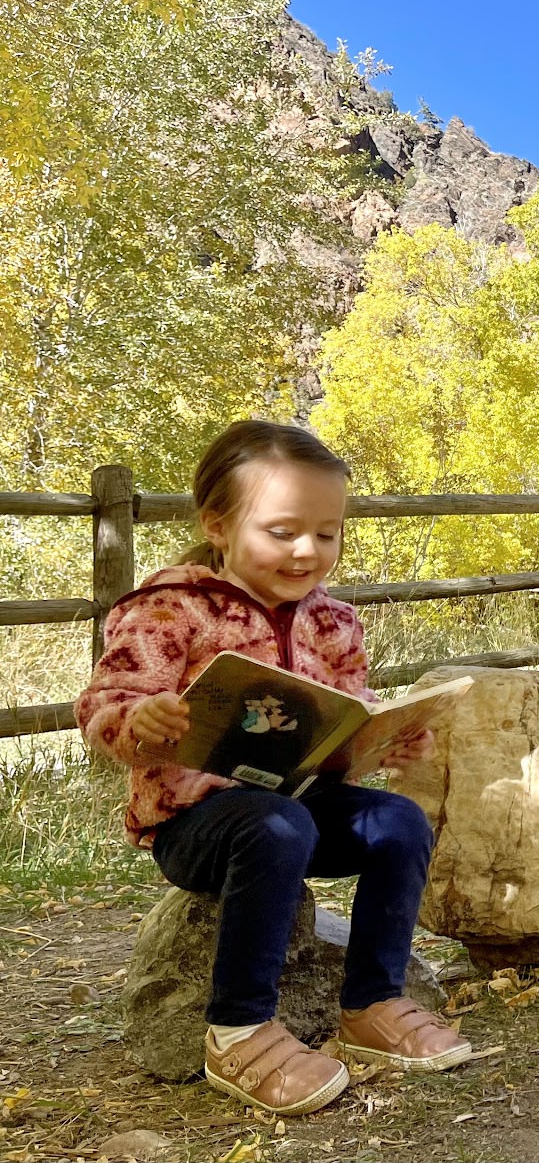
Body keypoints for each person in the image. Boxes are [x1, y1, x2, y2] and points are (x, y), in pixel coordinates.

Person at [75, 421, 469, 1118]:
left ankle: (373, 1001)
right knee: (275, 823)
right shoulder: (170, 609)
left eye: (326, 532)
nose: (307, 551)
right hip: (198, 824)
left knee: (398, 822)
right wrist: (139, 723)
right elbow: (104, 704)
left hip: (302, 806)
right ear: (218, 525)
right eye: (283, 530)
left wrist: (386, 742)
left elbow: (351, 713)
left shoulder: (334, 622)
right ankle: (238, 1028)